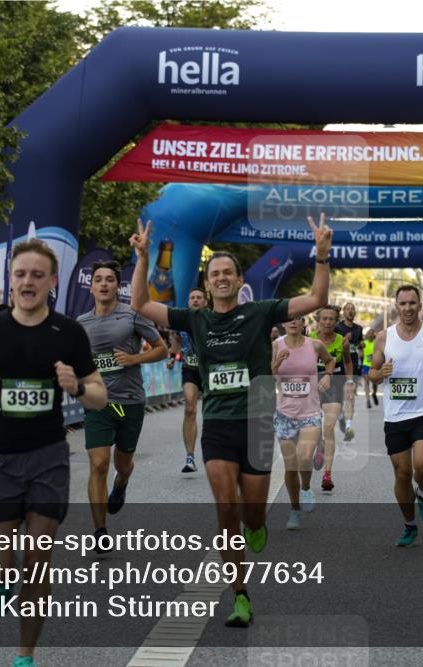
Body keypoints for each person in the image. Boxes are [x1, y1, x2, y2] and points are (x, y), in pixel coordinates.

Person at [130, 214, 332, 628]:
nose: (221, 278)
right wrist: (143, 256)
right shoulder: (196, 318)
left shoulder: (260, 312)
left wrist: (323, 257)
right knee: (226, 507)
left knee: (251, 514)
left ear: (239, 280)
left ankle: (256, 525)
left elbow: (314, 299)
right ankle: (240, 595)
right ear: (207, 284)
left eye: (227, 273)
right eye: (214, 274)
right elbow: (140, 305)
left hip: (256, 422)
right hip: (219, 424)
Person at [0, 239, 107, 667]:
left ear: (51, 282)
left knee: (36, 560)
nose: (27, 281)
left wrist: (78, 387)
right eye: (20, 274)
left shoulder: (69, 333)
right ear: (9, 280)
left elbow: (100, 397)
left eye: (37, 275)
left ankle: (24, 656)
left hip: (48, 457)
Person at [77, 259, 167, 554]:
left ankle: (122, 484)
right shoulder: (81, 323)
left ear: (118, 286)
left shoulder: (132, 316)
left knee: (122, 464)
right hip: (99, 403)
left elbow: (161, 350)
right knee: (99, 463)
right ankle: (99, 530)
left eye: (109, 280)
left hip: (129, 403)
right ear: (91, 287)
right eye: (98, 279)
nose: (104, 284)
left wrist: (134, 359)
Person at [368, 284, 423, 546]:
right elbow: (371, 371)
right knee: (402, 474)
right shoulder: (384, 337)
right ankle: (409, 524)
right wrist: (379, 374)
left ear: (420, 306)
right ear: (396, 306)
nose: (407, 308)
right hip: (395, 416)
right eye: (403, 304)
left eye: (412, 303)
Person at [272, 314, 335, 530]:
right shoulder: (275, 345)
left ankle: (306, 487)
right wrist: (277, 363)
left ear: (302, 323)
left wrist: (327, 375)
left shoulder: (315, 345)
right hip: (284, 414)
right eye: (288, 319)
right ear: (283, 323)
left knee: (304, 457)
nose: (292, 322)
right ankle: (294, 509)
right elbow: (266, 375)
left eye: (297, 318)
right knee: (290, 467)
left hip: (310, 412)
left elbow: (330, 361)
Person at [310, 305, 352, 494]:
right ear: (318, 320)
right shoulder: (308, 339)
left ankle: (327, 474)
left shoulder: (341, 341)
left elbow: (348, 362)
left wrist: (350, 382)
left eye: (331, 319)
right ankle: (319, 445)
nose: (327, 322)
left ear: (337, 321)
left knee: (329, 427)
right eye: (324, 319)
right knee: (316, 429)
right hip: (311, 386)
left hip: (334, 385)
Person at [167, 287, 208, 474]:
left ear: (205, 302)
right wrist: (172, 355)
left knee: (211, 412)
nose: (196, 300)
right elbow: (176, 339)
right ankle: (190, 457)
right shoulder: (182, 321)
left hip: (210, 371)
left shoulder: (212, 319)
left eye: (199, 297)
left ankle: (214, 452)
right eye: (192, 298)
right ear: (188, 302)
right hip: (190, 369)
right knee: (190, 407)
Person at [335, 302, 363, 442]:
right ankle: (341, 417)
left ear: (355, 312)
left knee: (350, 396)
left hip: (353, 366)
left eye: (353, 309)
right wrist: (346, 339)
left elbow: (358, 346)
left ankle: (348, 427)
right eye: (348, 309)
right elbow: (333, 344)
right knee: (338, 398)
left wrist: (360, 346)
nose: (350, 311)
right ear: (344, 312)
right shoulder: (337, 327)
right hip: (340, 365)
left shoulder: (359, 329)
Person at [361, 328, 377, 408]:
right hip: (366, 365)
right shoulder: (364, 343)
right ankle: (368, 400)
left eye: (372, 333)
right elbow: (359, 352)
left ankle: (374, 393)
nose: (370, 334)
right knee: (366, 383)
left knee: (374, 382)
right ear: (367, 335)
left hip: (374, 365)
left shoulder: (376, 343)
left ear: (374, 335)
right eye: (369, 333)